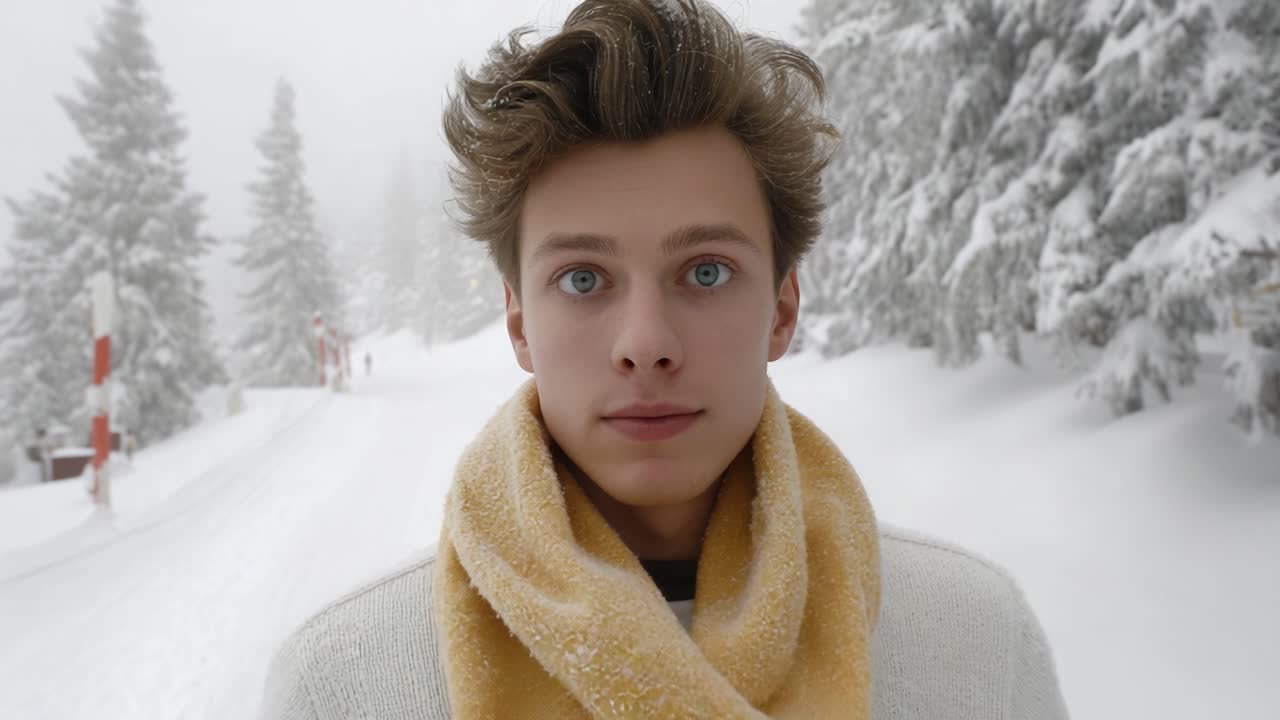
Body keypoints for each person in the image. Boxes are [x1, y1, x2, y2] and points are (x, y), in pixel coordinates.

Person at [260, 1, 1070, 718]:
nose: (645, 343)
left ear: (783, 308)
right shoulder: (345, 684)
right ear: (518, 321)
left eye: (706, 272)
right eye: (582, 279)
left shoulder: (978, 645)